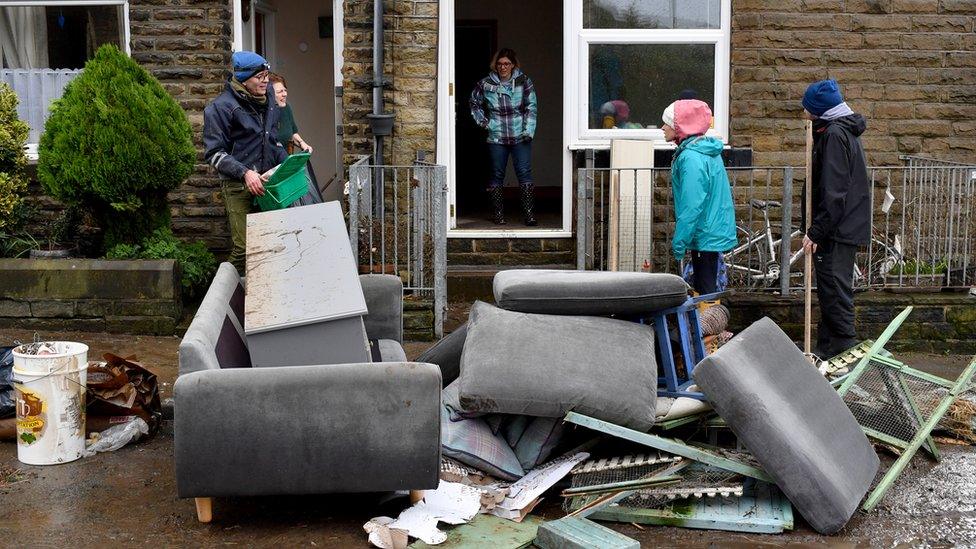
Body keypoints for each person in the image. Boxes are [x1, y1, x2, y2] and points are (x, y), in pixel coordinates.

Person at [800, 79, 870, 359]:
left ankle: (843, 346)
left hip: (837, 229)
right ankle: (827, 348)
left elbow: (834, 190)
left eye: (806, 106)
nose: (802, 111)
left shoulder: (834, 136)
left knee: (834, 287)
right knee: (830, 288)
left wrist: (816, 231)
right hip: (843, 225)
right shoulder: (838, 132)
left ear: (818, 109)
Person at [203, 51, 287, 273]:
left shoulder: (269, 98)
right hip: (238, 185)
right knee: (244, 248)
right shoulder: (220, 108)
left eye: (267, 75)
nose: (266, 81)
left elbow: (272, 138)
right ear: (243, 78)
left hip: (267, 184)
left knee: (270, 245)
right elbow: (214, 153)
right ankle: (218, 300)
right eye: (260, 76)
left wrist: (288, 165)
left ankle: (263, 296)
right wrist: (245, 173)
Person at [661, 99, 736, 295]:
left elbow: (692, 205)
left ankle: (707, 325)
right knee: (706, 286)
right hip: (710, 230)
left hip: (704, 232)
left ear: (680, 127)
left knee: (705, 289)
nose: (662, 128)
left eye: (667, 123)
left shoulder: (691, 158)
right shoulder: (704, 151)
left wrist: (680, 241)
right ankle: (706, 324)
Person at [469, 48, 538, 226]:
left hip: (520, 136)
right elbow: (474, 103)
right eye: (500, 64)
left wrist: (528, 130)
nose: (503, 67)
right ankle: (498, 214)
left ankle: (529, 215)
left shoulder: (524, 81)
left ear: (513, 64)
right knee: (496, 174)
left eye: (507, 63)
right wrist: (485, 123)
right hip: (496, 136)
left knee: (524, 173)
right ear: (495, 65)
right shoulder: (485, 83)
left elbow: (532, 107)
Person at [268, 73, 312, 154]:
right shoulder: (264, 114)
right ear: (269, 94)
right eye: (280, 92)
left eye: (285, 90)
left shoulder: (286, 108)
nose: (285, 94)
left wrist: (303, 143)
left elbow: (292, 133)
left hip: (286, 161)